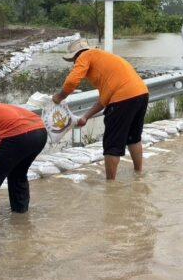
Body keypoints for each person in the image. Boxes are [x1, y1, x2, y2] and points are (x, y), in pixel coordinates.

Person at [52, 39, 149, 180]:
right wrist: (86, 116)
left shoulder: (84, 56)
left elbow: (72, 81)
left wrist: (59, 97)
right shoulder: (103, 57)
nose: (74, 64)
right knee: (133, 138)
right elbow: (105, 98)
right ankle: (139, 174)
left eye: (73, 61)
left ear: (75, 56)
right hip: (141, 94)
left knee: (112, 144)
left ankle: (110, 185)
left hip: (123, 98)